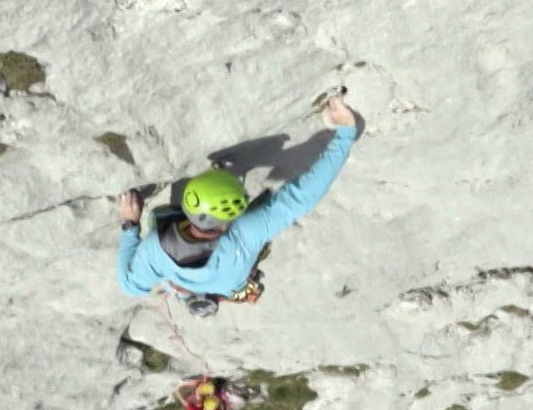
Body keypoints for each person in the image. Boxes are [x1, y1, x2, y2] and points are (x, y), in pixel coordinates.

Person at [115, 94, 360, 313]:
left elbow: (130, 286)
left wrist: (131, 225)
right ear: (227, 220)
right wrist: (344, 134)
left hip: (223, 284)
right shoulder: (245, 232)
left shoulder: (153, 250)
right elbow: (302, 195)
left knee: (157, 218)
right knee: (268, 211)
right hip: (228, 281)